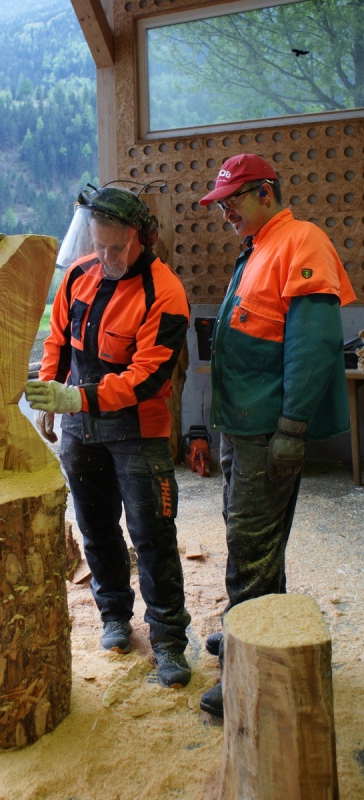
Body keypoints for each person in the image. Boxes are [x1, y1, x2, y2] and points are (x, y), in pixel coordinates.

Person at [196, 153, 356, 718]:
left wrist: (292, 427)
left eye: (232, 201)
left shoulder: (301, 240)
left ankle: (250, 673)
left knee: (251, 545)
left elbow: (313, 345)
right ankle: (254, 628)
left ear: (265, 192)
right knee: (250, 537)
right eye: (220, 205)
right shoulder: (258, 246)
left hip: (268, 427)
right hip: (243, 423)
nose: (225, 213)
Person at [25, 184, 192, 688]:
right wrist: (52, 392)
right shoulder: (79, 275)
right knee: (96, 527)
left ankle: (168, 638)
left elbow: (148, 378)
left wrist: (76, 398)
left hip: (138, 428)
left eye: (116, 248)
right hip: (81, 426)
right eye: (98, 245)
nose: (106, 257)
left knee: (152, 534)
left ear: (142, 238)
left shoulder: (165, 293)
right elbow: (58, 341)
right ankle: (114, 615)